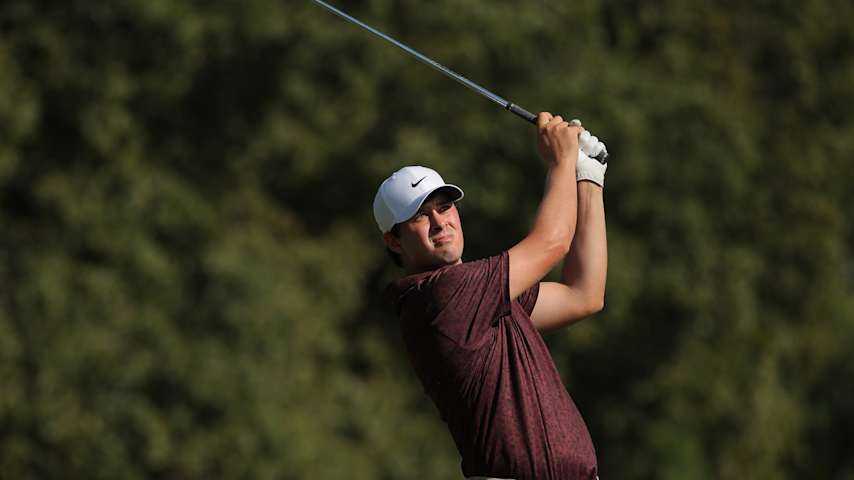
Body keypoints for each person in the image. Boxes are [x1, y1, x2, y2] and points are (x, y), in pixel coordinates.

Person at [373, 112, 608, 480]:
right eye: (420, 216)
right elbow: (553, 242)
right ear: (393, 240)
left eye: (445, 206)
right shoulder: (440, 297)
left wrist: (588, 177)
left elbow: (584, 294)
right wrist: (560, 162)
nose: (440, 223)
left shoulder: (484, 299)